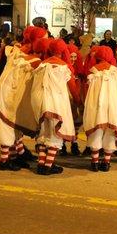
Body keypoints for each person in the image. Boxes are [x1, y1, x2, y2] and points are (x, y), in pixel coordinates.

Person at [0, 26, 46, 171]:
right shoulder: (29, 58)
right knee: (7, 128)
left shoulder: (18, 50)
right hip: (8, 96)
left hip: (11, 95)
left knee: (14, 127)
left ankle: (16, 155)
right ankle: (5, 161)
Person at [31, 38, 81, 175]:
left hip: (40, 102)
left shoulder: (41, 65)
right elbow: (73, 89)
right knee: (55, 134)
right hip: (56, 103)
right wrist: (78, 101)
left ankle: (41, 163)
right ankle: (48, 165)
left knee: (43, 132)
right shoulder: (64, 67)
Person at [82, 46, 117, 172]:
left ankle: (94, 162)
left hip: (96, 104)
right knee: (111, 131)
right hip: (114, 103)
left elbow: (87, 88)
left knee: (96, 130)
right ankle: (106, 162)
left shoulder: (93, 71)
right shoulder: (116, 71)